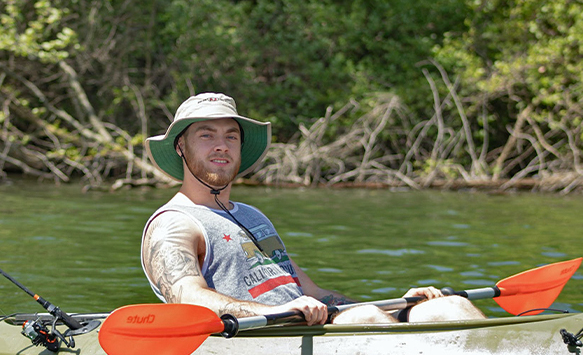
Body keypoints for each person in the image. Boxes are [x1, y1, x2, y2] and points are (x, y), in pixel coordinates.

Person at [140, 92, 485, 325]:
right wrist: (279, 311)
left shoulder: (253, 217)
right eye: (207, 135)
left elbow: (314, 294)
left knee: (446, 307)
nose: (221, 146)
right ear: (181, 146)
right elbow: (188, 298)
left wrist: (396, 306)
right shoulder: (173, 224)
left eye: (231, 136)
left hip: (309, 327)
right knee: (365, 321)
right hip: (262, 338)